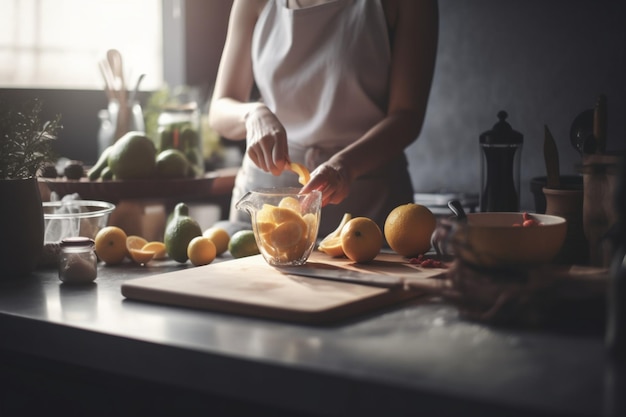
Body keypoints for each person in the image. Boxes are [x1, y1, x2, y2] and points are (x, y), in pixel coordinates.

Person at [209, 0, 438, 236]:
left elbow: (407, 116)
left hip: (368, 210)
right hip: (265, 209)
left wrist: (344, 167)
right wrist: (253, 114)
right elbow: (219, 109)